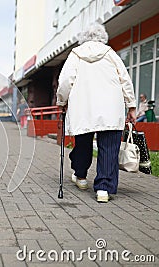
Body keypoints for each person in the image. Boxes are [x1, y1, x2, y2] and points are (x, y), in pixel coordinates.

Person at [56, 23, 136, 203]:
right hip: (111, 108)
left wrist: (61, 101)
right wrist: (131, 105)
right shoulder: (111, 54)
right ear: (103, 37)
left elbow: (65, 81)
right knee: (108, 148)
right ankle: (103, 189)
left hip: (84, 108)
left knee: (83, 144)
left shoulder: (75, 55)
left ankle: (81, 177)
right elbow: (125, 80)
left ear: (83, 38)